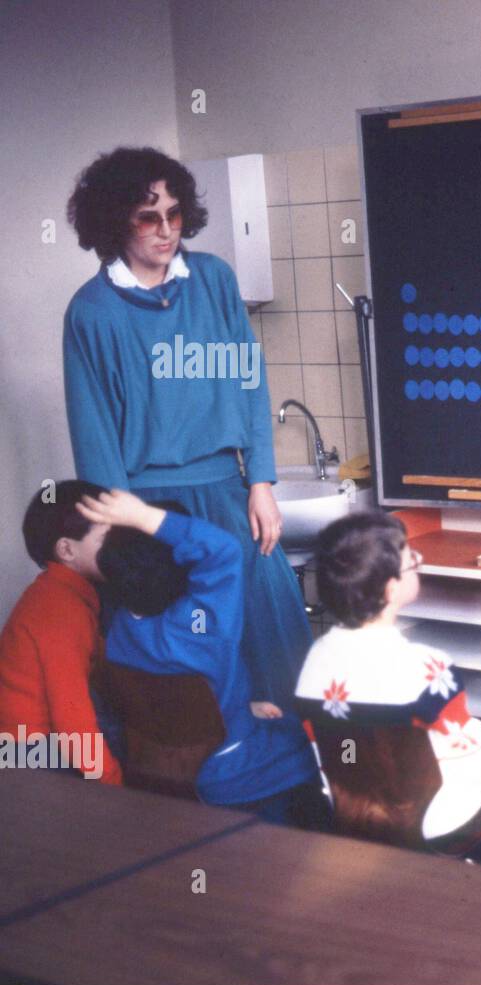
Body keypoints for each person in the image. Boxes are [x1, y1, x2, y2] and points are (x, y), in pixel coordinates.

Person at [63, 147, 308, 714]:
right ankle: (204, 796)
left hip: (230, 491)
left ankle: (299, 784)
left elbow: (250, 382)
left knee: (276, 640)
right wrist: (122, 528)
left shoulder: (214, 280)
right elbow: (93, 430)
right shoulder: (91, 313)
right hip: (150, 506)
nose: (166, 230)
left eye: (174, 214)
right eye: (148, 217)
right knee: (187, 666)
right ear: (114, 220)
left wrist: (261, 481)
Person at [296, 512, 481, 867]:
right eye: (410, 560)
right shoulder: (427, 666)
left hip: (356, 817)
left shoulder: (313, 662)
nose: (417, 560)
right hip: (437, 820)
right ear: (390, 589)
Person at [76, 488, 324, 824]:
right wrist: (143, 516)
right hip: (231, 769)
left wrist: (236, 709)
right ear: (183, 562)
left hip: (165, 771)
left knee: (277, 725)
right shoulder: (201, 625)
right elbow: (222, 550)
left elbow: (179, 700)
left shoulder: (120, 630)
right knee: (320, 743)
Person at [0, 480, 121, 783]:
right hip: (25, 754)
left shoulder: (63, 593)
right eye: (108, 538)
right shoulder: (59, 610)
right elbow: (73, 719)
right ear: (66, 549)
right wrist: (113, 785)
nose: (120, 549)